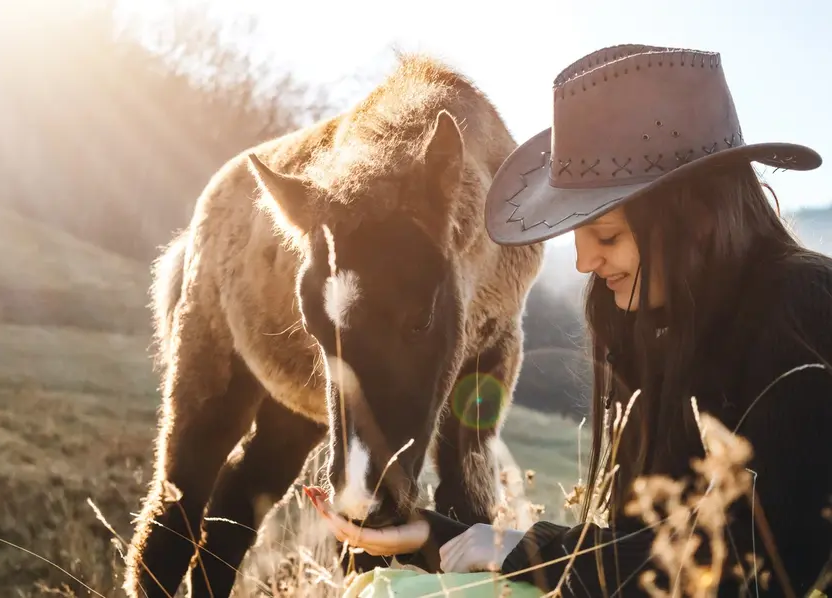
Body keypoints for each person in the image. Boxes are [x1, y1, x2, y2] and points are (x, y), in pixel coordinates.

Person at [309, 44, 832, 597]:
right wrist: (433, 535)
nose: (584, 262)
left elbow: (770, 565)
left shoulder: (804, 309)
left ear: (695, 216)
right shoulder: (651, 326)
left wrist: (520, 553)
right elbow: (633, 551)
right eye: (577, 235)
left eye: (607, 235)